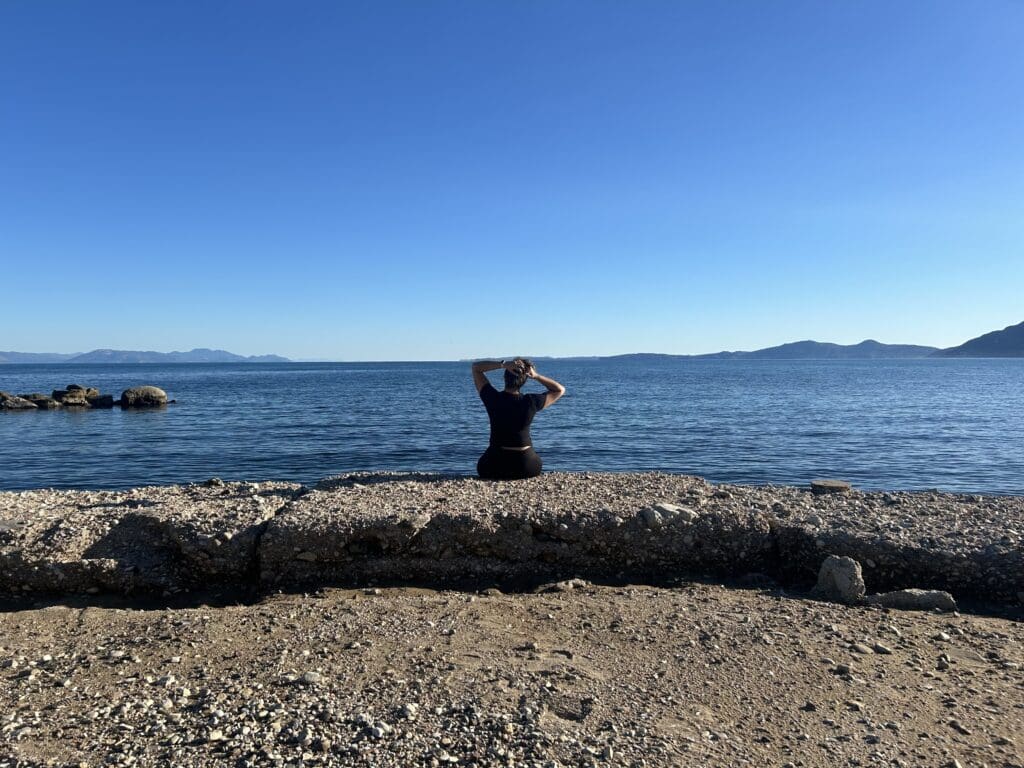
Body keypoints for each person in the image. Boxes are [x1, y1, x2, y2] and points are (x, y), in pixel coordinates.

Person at [471, 357, 566, 480]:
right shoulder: (531, 401)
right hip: (527, 466)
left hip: (494, 465)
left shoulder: (492, 398)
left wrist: (503, 365)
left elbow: (476, 368)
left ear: (505, 378)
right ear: (524, 380)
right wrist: (536, 376)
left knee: (484, 464)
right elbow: (559, 390)